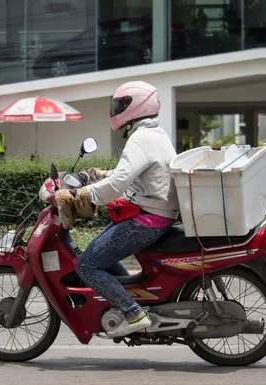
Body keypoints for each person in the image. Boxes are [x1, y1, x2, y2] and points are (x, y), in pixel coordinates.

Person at [51, 81, 179, 337]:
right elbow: (128, 174)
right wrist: (98, 175)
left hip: (147, 218)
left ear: (137, 106)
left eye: (120, 105)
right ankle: (129, 301)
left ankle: (133, 312)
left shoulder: (140, 139)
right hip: (152, 213)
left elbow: (118, 185)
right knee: (98, 256)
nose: (116, 110)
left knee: (86, 266)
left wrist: (82, 194)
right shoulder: (154, 134)